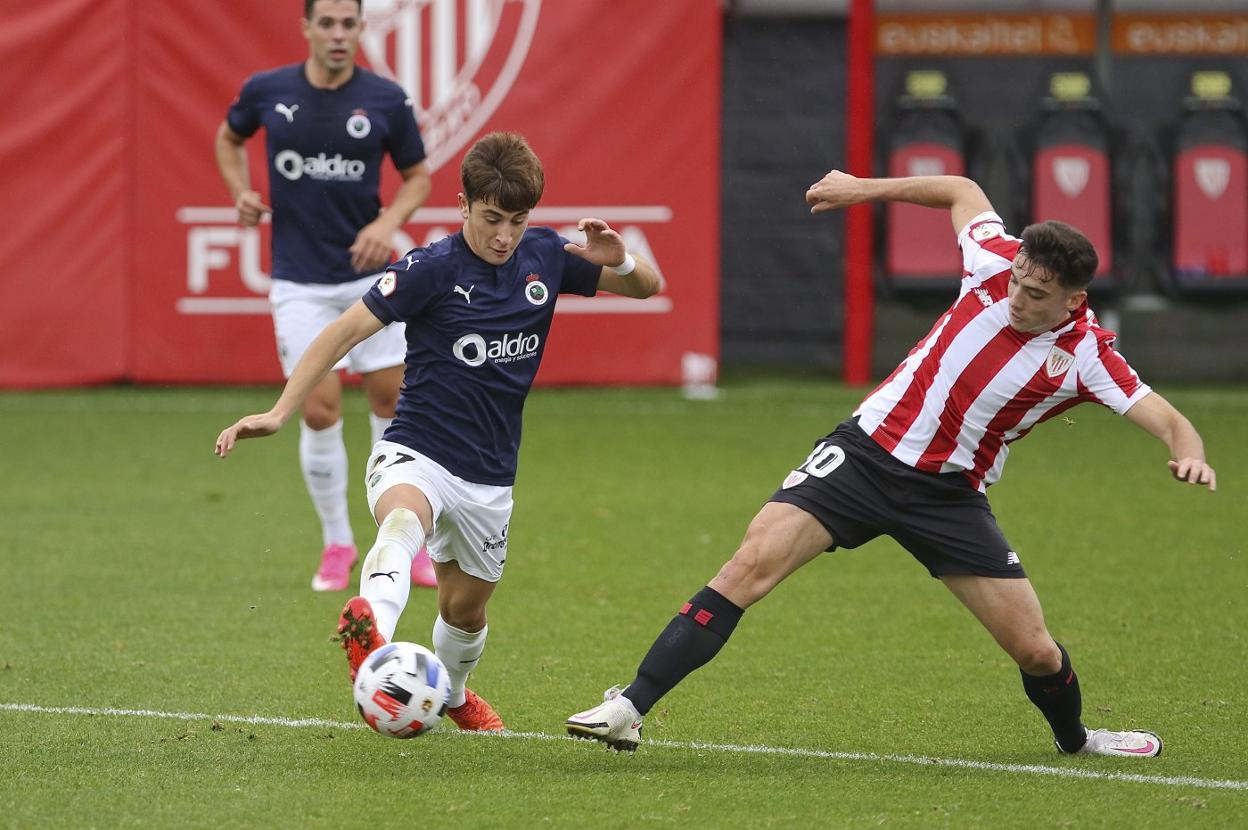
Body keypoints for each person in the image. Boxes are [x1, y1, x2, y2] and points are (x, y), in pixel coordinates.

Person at [566, 170, 1217, 756]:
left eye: (1038, 293)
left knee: (1036, 650)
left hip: (949, 498)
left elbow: (1168, 419)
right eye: (1019, 280)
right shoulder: (992, 261)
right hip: (863, 455)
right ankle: (630, 707)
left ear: (1073, 300)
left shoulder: (1086, 355)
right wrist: (859, 190)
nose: (1019, 297)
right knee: (748, 566)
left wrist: (1188, 455)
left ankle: (1078, 740)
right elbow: (963, 190)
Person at [216, 131, 662, 731]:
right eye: (491, 218)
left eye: (517, 220)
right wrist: (278, 411)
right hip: (415, 450)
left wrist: (620, 258)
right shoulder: (431, 268)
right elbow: (343, 332)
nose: (503, 235)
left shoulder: (545, 256)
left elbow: (647, 288)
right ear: (463, 205)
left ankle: (451, 694)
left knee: (466, 610)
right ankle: (369, 626)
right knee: (403, 520)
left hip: (490, 476)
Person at [214, 0, 439, 591]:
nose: (339, 35)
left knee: (392, 401)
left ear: (361, 29)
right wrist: (240, 190)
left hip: (370, 277)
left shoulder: (386, 99)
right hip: (298, 281)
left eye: (349, 24)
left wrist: (387, 224)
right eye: (328, 24)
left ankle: (402, 538)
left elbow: (418, 176)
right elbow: (228, 138)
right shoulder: (267, 91)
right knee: (320, 408)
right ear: (308, 29)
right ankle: (337, 541)